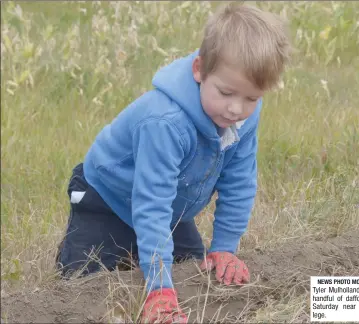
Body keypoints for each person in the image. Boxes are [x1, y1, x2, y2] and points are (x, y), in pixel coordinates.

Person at [55, 2, 290, 323]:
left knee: (193, 272)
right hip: (106, 197)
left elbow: (240, 182)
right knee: (80, 291)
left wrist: (224, 247)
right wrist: (159, 290)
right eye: (226, 92)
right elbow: (152, 202)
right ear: (199, 69)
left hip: (173, 205)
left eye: (251, 98)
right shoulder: (165, 121)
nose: (237, 109)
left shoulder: (243, 117)